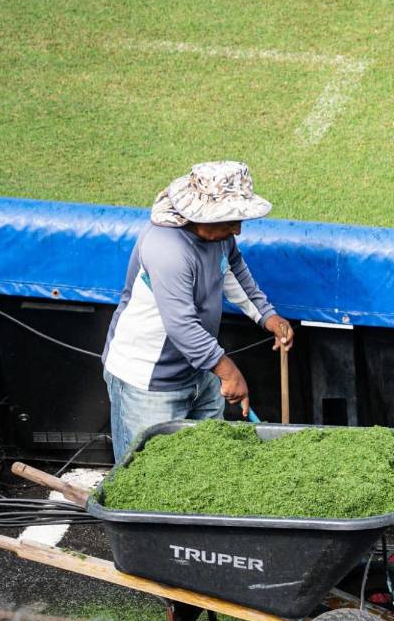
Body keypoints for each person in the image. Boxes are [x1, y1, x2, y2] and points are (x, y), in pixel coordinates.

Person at [102, 160, 294, 462]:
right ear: (198, 214)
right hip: (149, 385)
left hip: (198, 372)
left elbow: (230, 269)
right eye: (231, 219)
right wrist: (229, 373)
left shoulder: (219, 237)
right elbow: (182, 326)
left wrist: (266, 315)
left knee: (202, 467)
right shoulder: (168, 251)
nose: (238, 230)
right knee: (148, 478)